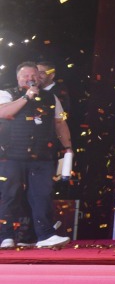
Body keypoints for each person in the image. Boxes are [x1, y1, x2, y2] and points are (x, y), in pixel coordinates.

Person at [0, 62, 73, 249]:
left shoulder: (51, 98)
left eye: (34, 75)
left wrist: (68, 147)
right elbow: (3, 112)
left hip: (41, 155)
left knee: (42, 194)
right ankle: (5, 236)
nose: (30, 79)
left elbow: (60, 123)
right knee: (9, 195)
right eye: (25, 76)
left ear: (40, 78)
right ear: (18, 78)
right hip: (11, 155)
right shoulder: (7, 94)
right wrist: (26, 97)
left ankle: (45, 235)